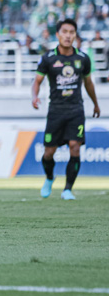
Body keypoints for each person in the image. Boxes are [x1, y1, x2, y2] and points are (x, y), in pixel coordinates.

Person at [32, 19, 100, 200]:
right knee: (49, 152)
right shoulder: (48, 58)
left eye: (72, 32)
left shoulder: (83, 59)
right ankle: (49, 178)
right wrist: (34, 96)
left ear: (75, 35)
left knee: (75, 148)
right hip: (55, 111)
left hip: (76, 110)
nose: (68, 35)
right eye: (65, 31)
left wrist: (95, 103)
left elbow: (88, 83)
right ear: (58, 34)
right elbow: (37, 81)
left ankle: (67, 189)